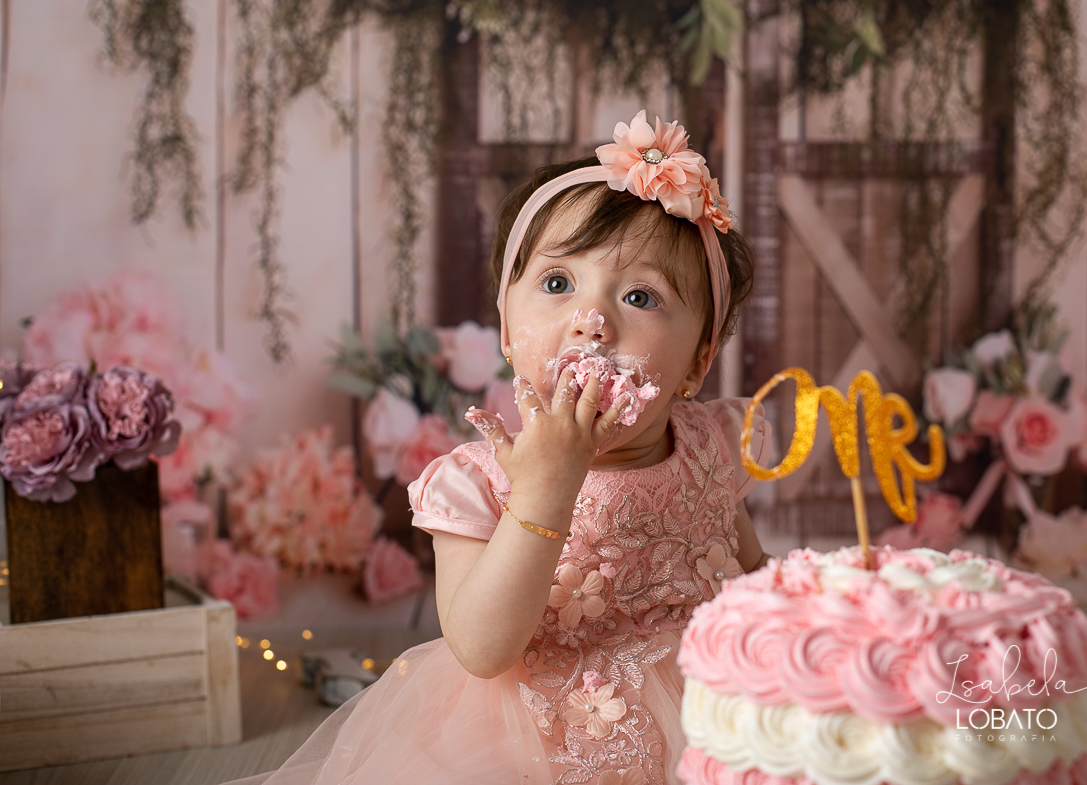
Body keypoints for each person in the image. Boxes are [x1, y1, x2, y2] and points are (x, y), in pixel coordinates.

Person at [233, 110, 772, 785]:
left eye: (640, 296)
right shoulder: (479, 481)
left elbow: (752, 576)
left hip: (706, 709)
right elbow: (483, 648)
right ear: (509, 331)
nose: (592, 320)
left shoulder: (710, 446)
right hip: (533, 733)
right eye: (557, 284)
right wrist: (547, 487)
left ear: (697, 364)